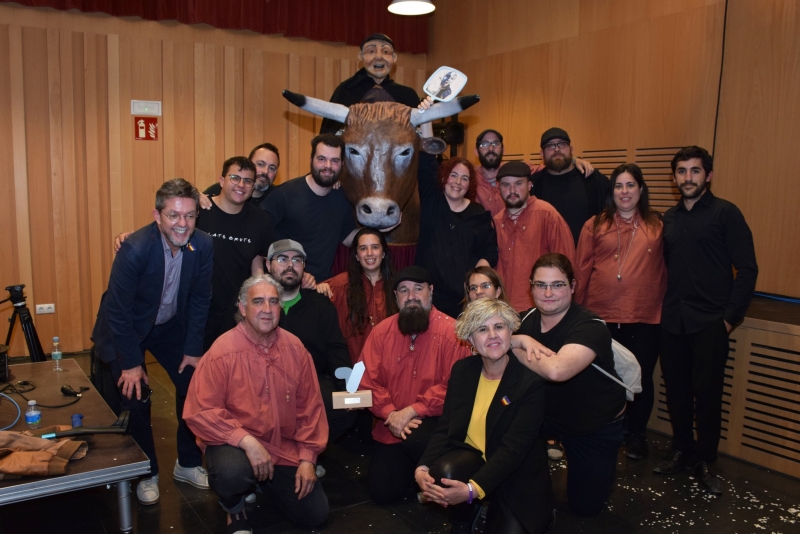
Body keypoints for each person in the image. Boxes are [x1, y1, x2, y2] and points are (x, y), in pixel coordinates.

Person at [92, 178, 213, 505]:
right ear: (157, 215)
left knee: (193, 385)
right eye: (174, 215)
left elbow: (201, 299)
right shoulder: (135, 248)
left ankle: (187, 463)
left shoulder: (201, 245)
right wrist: (131, 364)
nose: (182, 223)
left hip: (168, 325)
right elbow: (117, 311)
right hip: (126, 327)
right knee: (136, 395)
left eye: (189, 215)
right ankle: (147, 471)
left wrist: (193, 350)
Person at [184, 275, 329, 532]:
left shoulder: (295, 349)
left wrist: (308, 459)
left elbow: (311, 409)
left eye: (273, 302)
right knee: (231, 473)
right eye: (258, 301)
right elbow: (201, 411)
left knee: (315, 514)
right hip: (236, 447)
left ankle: (262, 483)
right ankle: (235, 505)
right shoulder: (221, 351)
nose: (266, 309)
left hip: (282, 449)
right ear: (242, 308)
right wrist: (247, 441)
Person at [654, 146, 758, 495]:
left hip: (710, 322)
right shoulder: (667, 219)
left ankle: (704, 458)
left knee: (708, 394)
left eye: (695, 171)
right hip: (672, 322)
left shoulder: (727, 214)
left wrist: (729, 319)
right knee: (677, 392)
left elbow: (747, 269)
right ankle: (682, 450)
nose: (688, 178)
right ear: (674, 178)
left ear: (708, 175)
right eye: (681, 172)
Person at [416, 299, 554, 534]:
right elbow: (445, 426)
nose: (492, 336)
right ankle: (463, 518)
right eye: (482, 329)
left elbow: (513, 450)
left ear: (511, 332)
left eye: (499, 327)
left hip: (516, 473)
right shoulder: (463, 371)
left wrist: (472, 489)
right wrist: (423, 467)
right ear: (470, 339)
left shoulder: (530, 383)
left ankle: (484, 502)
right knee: (443, 472)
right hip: (474, 459)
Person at [116, 157, 278, 352]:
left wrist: (258, 296)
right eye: (235, 177)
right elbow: (167, 227)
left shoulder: (260, 219)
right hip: (193, 307)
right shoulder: (201, 209)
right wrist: (130, 237)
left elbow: (257, 259)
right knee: (195, 368)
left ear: (253, 187)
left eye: (248, 181)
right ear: (221, 180)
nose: (241, 185)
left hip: (234, 309)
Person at [513, 253, 626, 516]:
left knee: (585, 507)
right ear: (531, 287)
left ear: (573, 287)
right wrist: (516, 338)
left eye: (558, 285)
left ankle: (602, 471)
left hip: (594, 424)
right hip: (548, 416)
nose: (548, 293)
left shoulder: (590, 325)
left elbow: (557, 371)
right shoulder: (524, 319)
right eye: (541, 285)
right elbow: (482, 340)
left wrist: (515, 343)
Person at [574, 163, 667, 460]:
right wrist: (577, 313)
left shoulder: (658, 226)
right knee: (602, 376)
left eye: (630, 185)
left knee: (639, 377)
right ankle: (602, 429)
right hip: (600, 315)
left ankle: (636, 434)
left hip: (644, 316)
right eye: (618, 186)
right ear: (611, 191)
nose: (624, 192)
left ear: (641, 190)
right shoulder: (595, 225)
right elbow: (582, 268)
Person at [358, 266, 471, 503]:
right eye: (403, 290)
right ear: (396, 297)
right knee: (382, 494)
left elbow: (456, 387)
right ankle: (414, 475)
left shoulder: (454, 333)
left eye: (418, 289)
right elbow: (365, 381)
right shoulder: (381, 332)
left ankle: (431, 471)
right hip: (391, 425)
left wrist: (413, 410)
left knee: (421, 444)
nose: (411, 296)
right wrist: (391, 413)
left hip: (433, 424)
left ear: (430, 291)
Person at [265, 239, 356, 443]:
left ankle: (305, 451)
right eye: (282, 259)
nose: (290, 265)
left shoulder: (320, 305)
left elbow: (337, 350)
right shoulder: (255, 305)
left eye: (296, 260)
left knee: (348, 409)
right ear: (268, 265)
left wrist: (347, 388)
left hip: (312, 383)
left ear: (304, 267)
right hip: (263, 384)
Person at [262, 134, 359, 281]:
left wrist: (380, 228)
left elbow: (347, 237)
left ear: (342, 164)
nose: (328, 166)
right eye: (321, 159)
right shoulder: (284, 195)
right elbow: (258, 236)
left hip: (322, 287)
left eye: (334, 161)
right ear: (311, 160)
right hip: (286, 285)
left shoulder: (342, 197)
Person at [414, 153, 499, 318]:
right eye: (453, 175)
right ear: (444, 177)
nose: (458, 182)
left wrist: (475, 281)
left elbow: (489, 252)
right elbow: (426, 162)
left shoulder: (478, 214)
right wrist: (425, 127)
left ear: (470, 184)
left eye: (464, 178)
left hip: (462, 302)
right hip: (427, 297)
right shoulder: (432, 200)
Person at [494, 160, 575, 312]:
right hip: (504, 310)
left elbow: (566, 264)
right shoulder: (496, 222)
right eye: (506, 185)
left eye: (518, 183)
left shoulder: (547, 214)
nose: (512, 190)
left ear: (530, 185)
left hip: (542, 309)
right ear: (498, 188)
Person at [316, 227, 398, 363]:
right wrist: (317, 290)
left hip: (390, 369)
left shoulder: (399, 287)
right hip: (353, 373)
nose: (369, 253)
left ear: (383, 253)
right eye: (363, 248)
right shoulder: (340, 285)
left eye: (375, 247)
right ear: (357, 256)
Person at [473, 129, 594, 217]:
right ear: (476, 151)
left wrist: (574, 159)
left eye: (495, 144)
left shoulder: (515, 170)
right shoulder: (470, 176)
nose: (491, 149)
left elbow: (550, 164)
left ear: (503, 149)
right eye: (484, 144)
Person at [320, 33, 420, 134]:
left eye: (386, 52)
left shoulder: (407, 95)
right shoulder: (346, 90)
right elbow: (330, 133)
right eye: (371, 51)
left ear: (394, 57)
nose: (379, 56)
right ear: (361, 56)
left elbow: (419, 135)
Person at [532, 127, 610, 244]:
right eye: (550, 145)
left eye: (562, 144)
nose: (557, 149)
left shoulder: (593, 179)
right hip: (548, 259)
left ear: (571, 149)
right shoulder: (533, 184)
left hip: (587, 257)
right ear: (541, 154)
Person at [202, 143, 281, 207]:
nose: (265, 171)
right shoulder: (222, 189)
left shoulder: (279, 197)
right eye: (260, 164)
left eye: (272, 168)